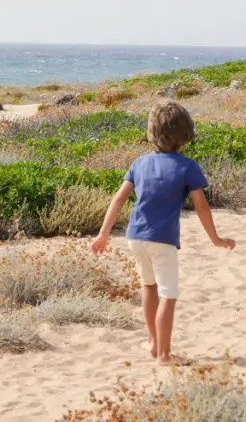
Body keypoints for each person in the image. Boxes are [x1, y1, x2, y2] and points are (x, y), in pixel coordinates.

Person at [91, 100, 236, 365]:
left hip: (134, 237)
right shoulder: (187, 167)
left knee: (149, 287)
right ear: (185, 134)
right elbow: (201, 207)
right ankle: (165, 355)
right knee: (168, 295)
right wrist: (216, 239)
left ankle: (153, 343)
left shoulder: (140, 163)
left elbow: (119, 198)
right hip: (162, 240)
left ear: (153, 132)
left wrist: (103, 234)